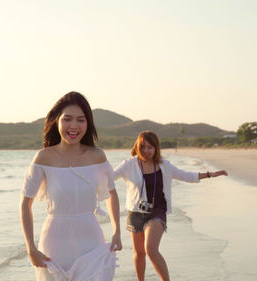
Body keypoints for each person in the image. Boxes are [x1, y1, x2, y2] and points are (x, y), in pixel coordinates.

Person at [20, 91, 122, 281]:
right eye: (67, 119)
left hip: (90, 240)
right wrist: (31, 247)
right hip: (54, 241)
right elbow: (25, 204)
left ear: (87, 123)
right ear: (56, 121)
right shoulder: (43, 158)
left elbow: (112, 193)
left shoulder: (97, 156)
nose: (74, 126)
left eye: (80, 120)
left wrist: (117, 231)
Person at [114, 131, 228, 281]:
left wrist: (209, 174)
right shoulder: (129, 164)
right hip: (135, 212)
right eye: (143, 147)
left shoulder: (163, 165)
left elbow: (185, 175)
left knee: (151, 250)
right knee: (139, 253)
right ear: (137, 147)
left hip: (157, 211)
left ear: (156, 148)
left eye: (150, 147)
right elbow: (109, 177)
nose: (146, 151)